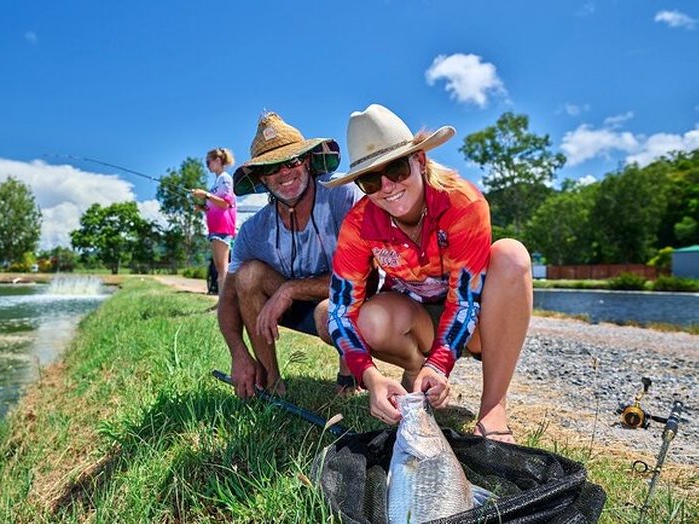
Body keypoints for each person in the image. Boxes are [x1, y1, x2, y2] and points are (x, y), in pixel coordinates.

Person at [323, 104, 532, 443]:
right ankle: (415, 370)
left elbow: (465, 298)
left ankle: (493, 407)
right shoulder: (358, 224)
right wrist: (370, 376)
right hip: (413, 318)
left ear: (419, 161)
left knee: (512, 255)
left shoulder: (461, 201)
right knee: (368, 320)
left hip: (474, 322)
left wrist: (441, 363)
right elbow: (340, 310)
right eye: (371, 180)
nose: (387, 187)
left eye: (396, 168)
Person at [219, 111, 363, 398]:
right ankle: (272, 384)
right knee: (247, 277)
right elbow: (228, 299)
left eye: (292, 161)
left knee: (330, 312)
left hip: (347, 302)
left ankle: (350, 376)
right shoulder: (253, 231)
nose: (285, 172)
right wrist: (238, 353)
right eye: (272, 167)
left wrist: (291, 288)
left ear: (307, 162)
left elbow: (363, 278)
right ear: (261, 177)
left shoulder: (343, 195)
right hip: (291, 308)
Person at [191, 148, 237, 298]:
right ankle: (222, 302)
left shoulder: (225, 178)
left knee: (222, 268)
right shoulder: (217, 181)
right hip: (215, 228)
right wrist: (203, 207)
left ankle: (224, 304)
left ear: (217, 161)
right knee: (219, 268)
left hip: (223, 228)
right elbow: (216, 206)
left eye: (208, 162)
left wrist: (206, 195)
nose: (207, 165)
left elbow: (225, 204)